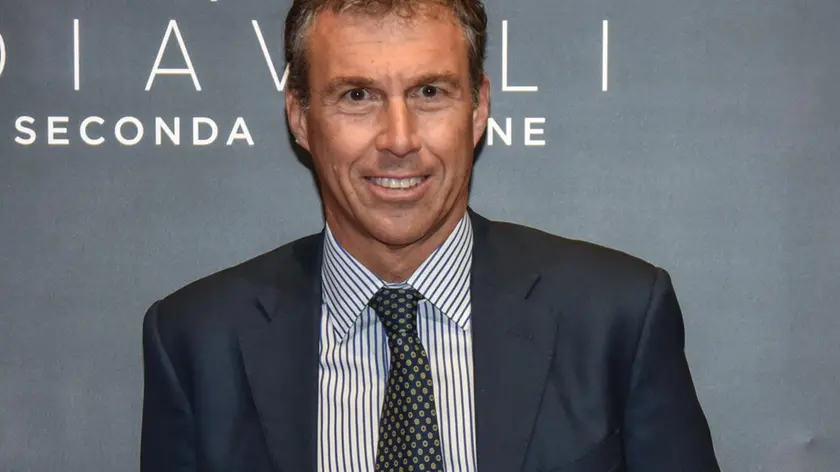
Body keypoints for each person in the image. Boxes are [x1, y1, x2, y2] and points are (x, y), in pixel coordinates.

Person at [140, 0, 721, 471]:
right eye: (358, 95)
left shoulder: (617, 315)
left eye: (429, 93)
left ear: (478, 107)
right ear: (299, 115)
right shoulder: (198, 339)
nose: (399, 139)